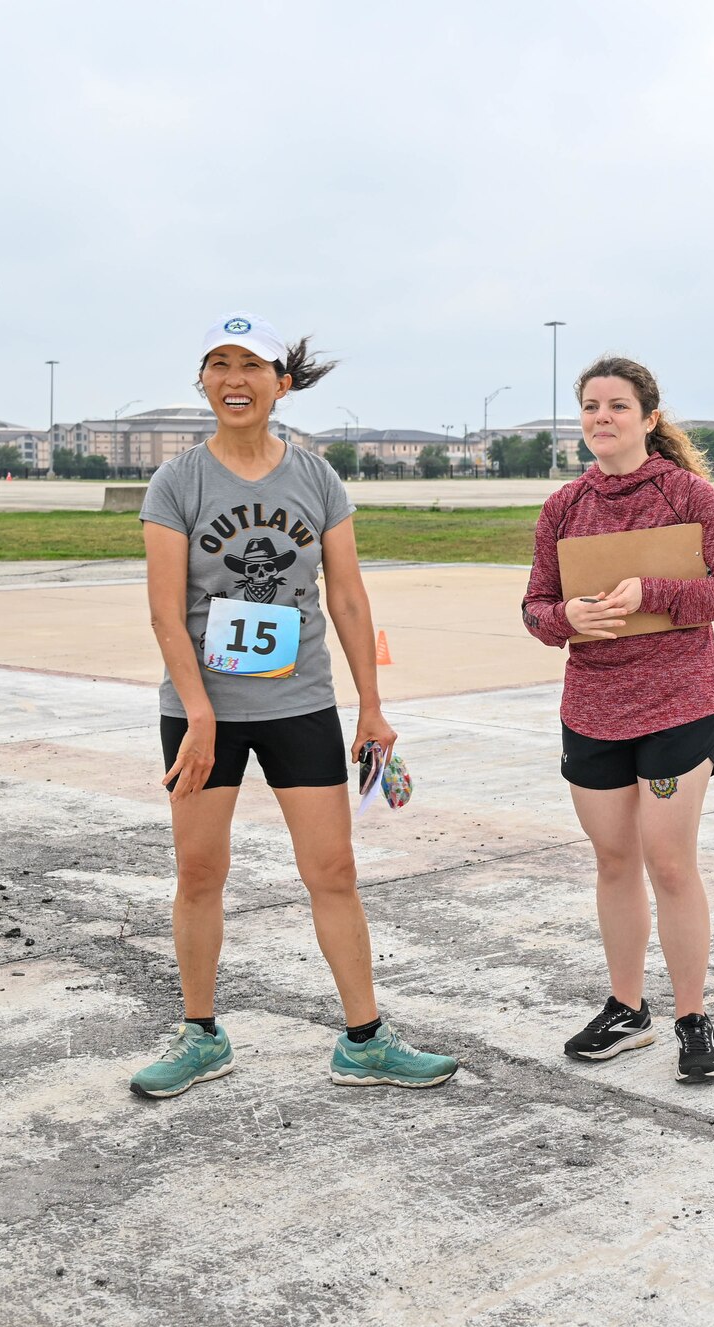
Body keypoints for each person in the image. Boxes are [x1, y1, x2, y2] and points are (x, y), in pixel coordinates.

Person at [128, 311, 458, 1098]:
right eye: (219, 364)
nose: (234, 379)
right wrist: (200, 713)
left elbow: (345, 595)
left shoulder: (316, 479)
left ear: (282, 382)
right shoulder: (177, 481)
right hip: (201, 709)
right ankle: (200, 1034)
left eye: (252, 365)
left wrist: (371, 705)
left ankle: (366, 1041)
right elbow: (165, 610)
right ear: (203, 382)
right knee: (200, 871)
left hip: (300, 703)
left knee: (333, 869)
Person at [522, 356, 714, 1083]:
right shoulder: (564, 506)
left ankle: (692, 1015)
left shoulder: (687, 494)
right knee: (616, 861)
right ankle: (628, 1010)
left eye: (618, 406)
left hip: (677, 707)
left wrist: (654, 590)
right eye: (591, 406)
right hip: (593, 709)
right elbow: (534, 607)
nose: (602, 417)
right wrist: (570, 616)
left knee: (668, 860)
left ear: (649, 418)